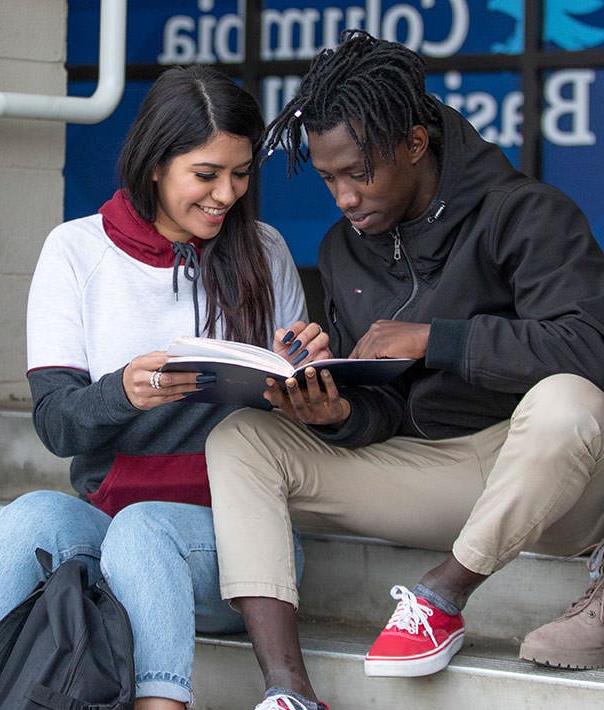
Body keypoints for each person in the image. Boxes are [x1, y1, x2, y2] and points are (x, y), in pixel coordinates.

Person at [204, 30, 604, 709]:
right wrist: (337, 410)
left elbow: (588, 347)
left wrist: (435, 339)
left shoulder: (527, 214)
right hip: (433, 475)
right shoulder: (344, 251)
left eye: (358, 172)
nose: (343, 197)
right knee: (240, 438)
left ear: (415, 143)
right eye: (328, 178)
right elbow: (387, 408)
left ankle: (441, 597)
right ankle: (287, 691)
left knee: (568, 398)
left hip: (548, 477)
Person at [0, 65, 328, 710]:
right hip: (110, 527)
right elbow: (58, 426)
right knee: (29, 516)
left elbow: (298, 433)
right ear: (155, 164)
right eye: (206, 175)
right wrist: (122, 391)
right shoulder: (76, 251)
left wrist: (303, 379)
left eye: (240, 175)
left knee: (146, 528)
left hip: (236, 550)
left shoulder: (264, 250)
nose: (226, 195)